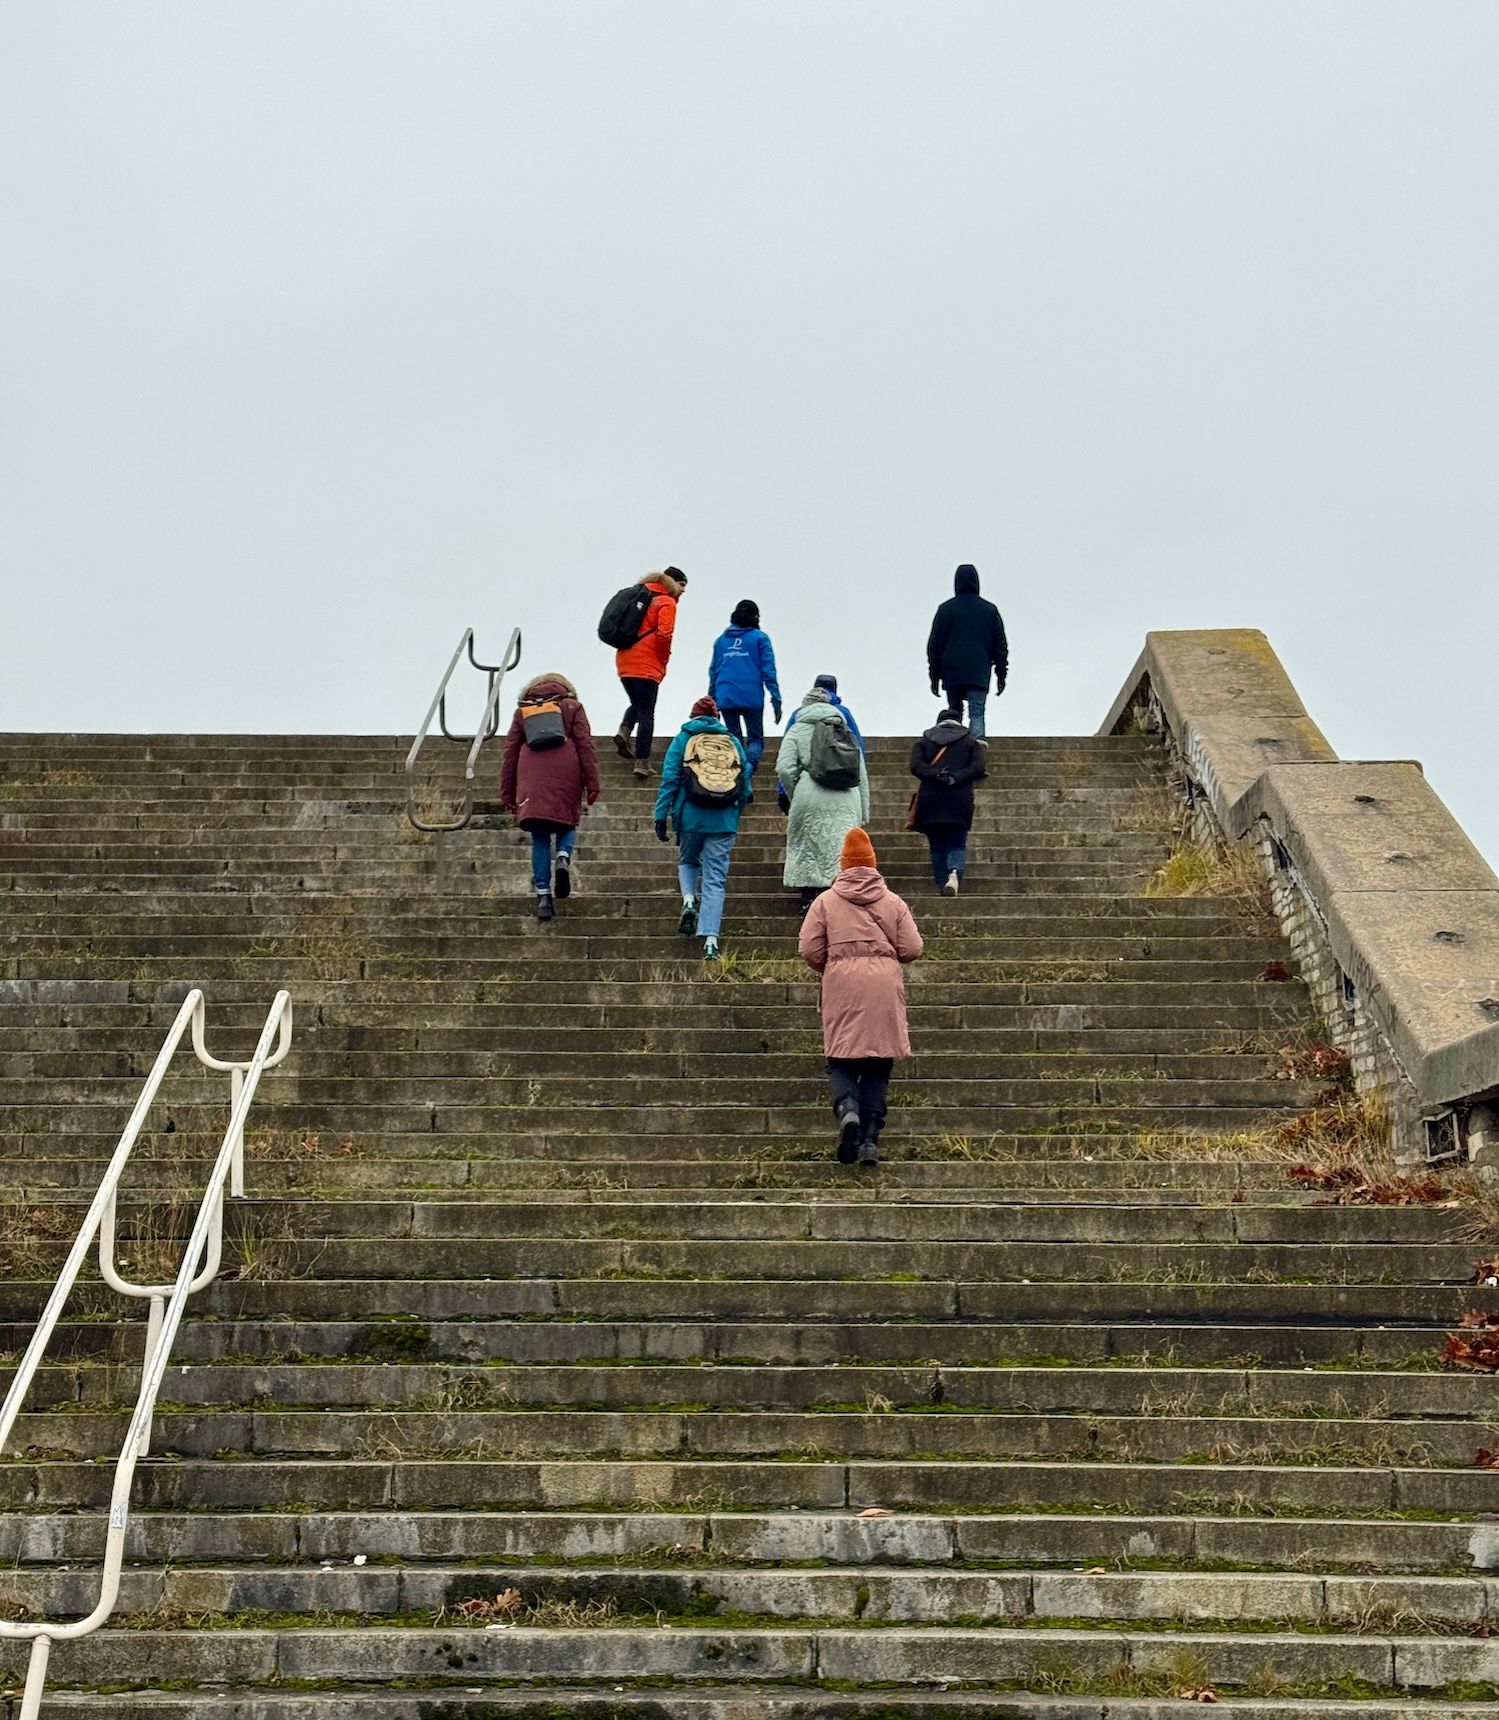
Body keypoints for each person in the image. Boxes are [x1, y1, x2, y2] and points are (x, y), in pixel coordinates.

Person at [798, 827, 923, 1166]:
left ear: (843, 865)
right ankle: (869, 1140)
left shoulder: (825, 902)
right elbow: (913, 948)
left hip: (841, 986)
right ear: (872, 863)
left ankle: (847, 1108)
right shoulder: (893, 902)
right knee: (879, 1063)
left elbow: (808, 948)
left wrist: (832, 965)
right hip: (883, 987)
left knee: (839, 1058)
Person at [653, 696, 751, 962]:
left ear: (692, 716)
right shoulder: (732, 742)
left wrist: (661, 815)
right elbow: (745, 783)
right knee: (715, 879)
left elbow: (670, 780)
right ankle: (710, 941)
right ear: (717, 718)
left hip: (690, 817)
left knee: (688, 860)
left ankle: (688, 899)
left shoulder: (683, 739)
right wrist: (735, 813)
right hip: (724, 819)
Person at [498, 671, 601, 922]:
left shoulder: (523, 711)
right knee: (568, 822)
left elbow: (510, 753)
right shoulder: (573, 707)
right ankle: (563, 856)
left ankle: (543, 897)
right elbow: (585, 744)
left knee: (540, 836)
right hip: (567, 771)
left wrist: (507, 792)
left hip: (532, 775)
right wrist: (593, 782)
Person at [776, 687, 870, 914]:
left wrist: (796, 792)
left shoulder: (797, 729)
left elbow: (785, 768)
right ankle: (837, 901)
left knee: (807, 847)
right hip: (846, 796)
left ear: (805, 706)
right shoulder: (844, 730)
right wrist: (863, 811)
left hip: (809, 793)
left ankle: (809, 900)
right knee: (838, 848)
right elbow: (861, 773)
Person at [613, 567, 688, 780]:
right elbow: (665, 635)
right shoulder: (666, 602)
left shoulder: (640, 596)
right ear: (671, 582)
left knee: (639, 703)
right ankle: (642, 761)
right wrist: (663, 660)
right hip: (647, 663)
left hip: (625, 659)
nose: (683, 590)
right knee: (647, 712)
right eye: (681, 584)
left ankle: (624, 730)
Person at [925, 563, 1008, 743]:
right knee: (977, 711)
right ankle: (977, 745)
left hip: (952, 667)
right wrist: (1001, 674)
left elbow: (934, 647)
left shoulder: (945, 610)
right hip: (978, 667)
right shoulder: (989, 610)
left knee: (954, 710)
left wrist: (934, 676)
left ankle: (955, 745)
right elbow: (1000, 646)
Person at [909, 707, 987, 896]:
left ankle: (941, 882)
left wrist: (936, 775)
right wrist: (956, 777)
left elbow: (915, 766)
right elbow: (978, 767)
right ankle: (954, 874)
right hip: (959, 798)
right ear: (959, 721)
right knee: (957, 841)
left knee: (936, 844)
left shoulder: (924, 742)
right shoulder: (970, 742)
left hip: (931, 798)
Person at [707, 600, 782, 773]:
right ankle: (747, 770)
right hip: (752, 695)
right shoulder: (760, 638)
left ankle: (738, 773)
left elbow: (714, 672)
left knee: (734, 738)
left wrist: (712, 700)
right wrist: (776, 700)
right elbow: (769, 671)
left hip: (726, 694)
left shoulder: (721, 641)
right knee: (755, 739)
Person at [776, 673, 864, 813]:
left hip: (807, 786)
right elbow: (857, 749)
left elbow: (786, 758)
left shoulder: (799, 714)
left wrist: (783, 791)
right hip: (843, 786)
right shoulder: (842, 713)